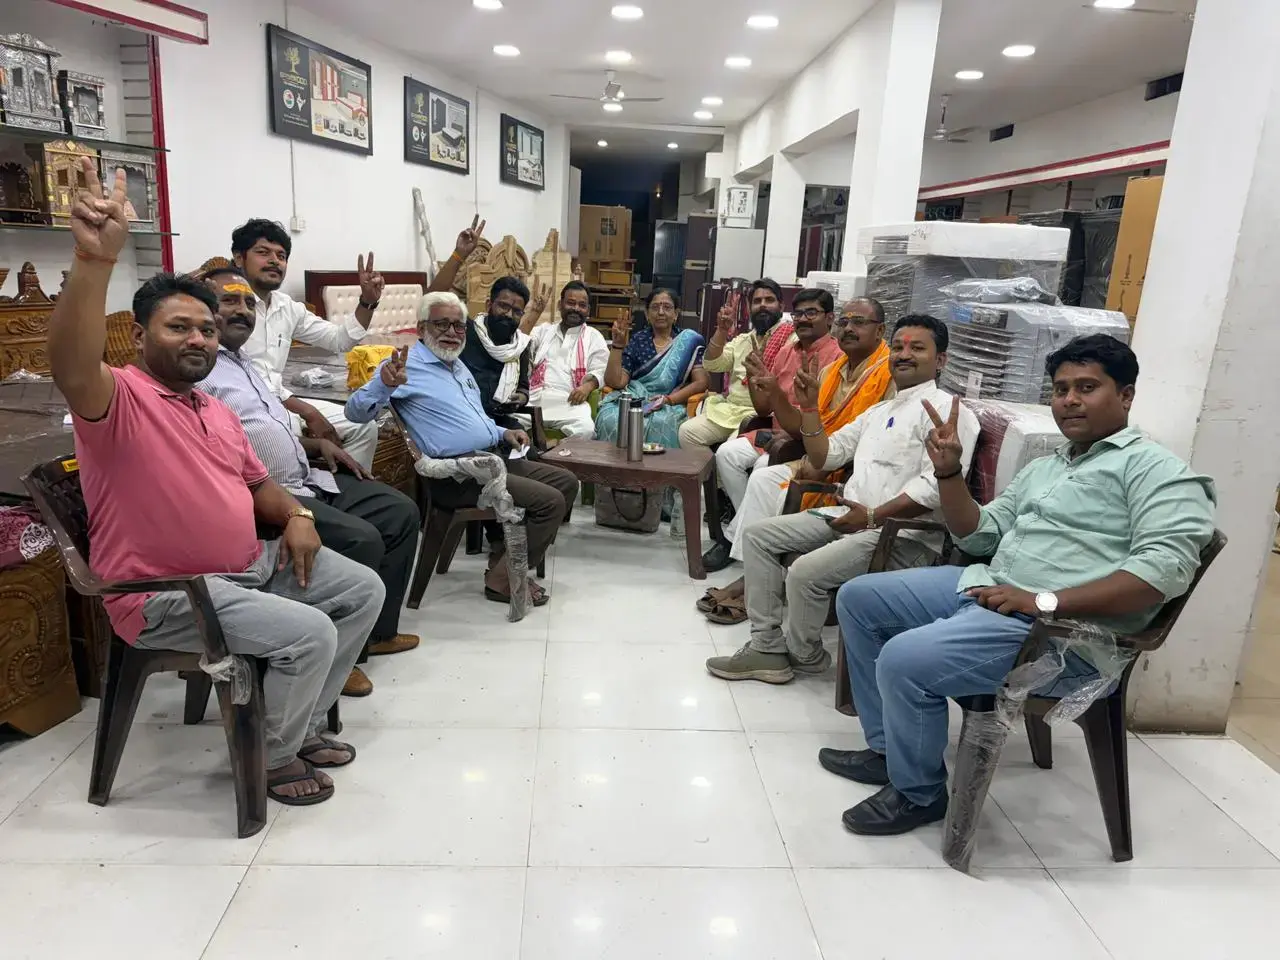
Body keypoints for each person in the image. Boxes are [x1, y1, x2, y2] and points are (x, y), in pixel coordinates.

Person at [51, 159, 381, 805]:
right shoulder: (117, 400)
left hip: (245, 567)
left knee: (361, 589)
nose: (198, 338)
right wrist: (94, 261)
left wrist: (298, 516)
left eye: (206, 329)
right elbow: (70, 362)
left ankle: (300, 724)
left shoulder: (214, 408)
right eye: (179, 327)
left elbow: (259, 486)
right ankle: (271, 757)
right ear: (139, 337)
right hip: (168, 594)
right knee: (311, 633)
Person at [827, 334, 1216, 837]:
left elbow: (1162, 575)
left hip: (1061, 632)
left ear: (1126, 395)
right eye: (1060, 389)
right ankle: (889, 752)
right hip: (995, 590)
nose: (1069, 400)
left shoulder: (1158, 472)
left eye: (1087, 387)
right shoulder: (1049, 466)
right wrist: (948, 473)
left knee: (904, 659)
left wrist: (1043, 601)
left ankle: (918, 794)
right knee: (860, 598)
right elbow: (979, 532)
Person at [705, 314, 979, 685]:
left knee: (803, 573)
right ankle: (766, 646)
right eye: (898, 347)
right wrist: (809, 410)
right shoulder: (880, 411)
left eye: (917, 348)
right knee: (758, 536)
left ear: (941, 359)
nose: (903, 354)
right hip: (850, 517)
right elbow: (826, 455)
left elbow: (933, 489)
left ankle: (805, 656)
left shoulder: (950, 413)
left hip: (901, 534)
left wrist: (872, 517)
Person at [197, 265, 421, 700]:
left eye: (248, 303)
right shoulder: (202, 372)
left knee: (400, 511)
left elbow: (266, 425)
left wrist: (314, 444)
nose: (242, 310)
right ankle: (342, 657)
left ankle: (378, 633)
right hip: (267, 497)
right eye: (229, 301)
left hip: (307, 478)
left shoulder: (247, 365)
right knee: (362, 539)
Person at [345, 291, 579, 606]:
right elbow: (354, 412)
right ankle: (502, 580)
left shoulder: (456, 365)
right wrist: (384, 385)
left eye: (458, 326)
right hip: (456, 474)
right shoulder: (405, 365)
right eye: (442, 324)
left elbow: (474, 420)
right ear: (421, 327)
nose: (452, 333)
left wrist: (504, 431)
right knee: (549, 502)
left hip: (491, 458)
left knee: (567, 482)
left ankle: (503, 556)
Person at [697, 297, 894, 622]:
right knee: (763, 478)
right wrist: (775, 392)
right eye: (845, 322)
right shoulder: (832, 371)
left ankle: (753, 586)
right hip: (818, 454)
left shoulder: (887, 374)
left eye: (859, 322)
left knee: (767, 470)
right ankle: (754, 576)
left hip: (849, 470)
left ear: (880, 330)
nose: (848, 328)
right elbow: (802, 426)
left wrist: (827, 461)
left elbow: (879, 443)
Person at [701, 287, 846, 572]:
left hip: (805, 439)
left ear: (829, 318)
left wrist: (786, 430)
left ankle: (733, 540)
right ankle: (751, 529)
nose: (803, 319)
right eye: (798, 313)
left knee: (763, 468)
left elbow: (822, 416)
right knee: (726, 455)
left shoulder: (836, 357)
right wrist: (756, 379)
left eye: (811, 313)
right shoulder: (786, 352)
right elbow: (763, 409)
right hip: (774, 431)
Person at [229, 218, 383, 469]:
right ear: (239, 258)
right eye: (263, 252)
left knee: (362, 426)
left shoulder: (287, 307)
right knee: (286, 431)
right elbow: (247, 382)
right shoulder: (227, 309)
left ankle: (344, 487)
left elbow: (339, 340)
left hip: (281, 402)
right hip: (243, 410)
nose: (274, 261)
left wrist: (367, 301)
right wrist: (307, 411)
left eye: (281, 255)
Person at [676, 279, 791, 450]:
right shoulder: (743, 340)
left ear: (781, 306)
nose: (762, 305)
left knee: (729, 448)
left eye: (769, 300)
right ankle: (709, 469)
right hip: (730, 410)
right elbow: (712, 364)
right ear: (749, 308)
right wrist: (722, 330)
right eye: (757, 301)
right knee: (687, 432)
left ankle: (717, 466)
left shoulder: (790, 339)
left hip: (761, 415)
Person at [595, 288, 707, 448]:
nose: (661, 312)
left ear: (676, 314)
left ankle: (659, 465)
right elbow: (616, 382)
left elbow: (701, 382)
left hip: (670, 403)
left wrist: (669, 400)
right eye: (655, 307)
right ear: (647, 314)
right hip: (635, 398)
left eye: (667, 307)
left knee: (663, 422)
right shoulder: (638, 340)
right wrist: (617, 346)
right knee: (612, 418)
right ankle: (615, 463)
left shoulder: (689, 341)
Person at [519, 280, 610, 439]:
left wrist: (587, 387)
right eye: (571, 303)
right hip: (535, 399)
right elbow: (519, 342)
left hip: (570, 402)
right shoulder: (544, 331)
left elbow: (602, 369)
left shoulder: (593, 336)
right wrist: (535, 313)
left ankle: (554, 451)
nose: (576, 308)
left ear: (588, 310)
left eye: (582, 305)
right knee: (507, 424)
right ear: (560, 305)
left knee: (586, 430)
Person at [459, 275, 538, 431]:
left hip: (499, 419)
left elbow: (523, 388)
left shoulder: (520, 346)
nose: (508, 314)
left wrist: (520, 398)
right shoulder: (466, 332)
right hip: (464, 416)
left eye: (516, 311)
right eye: (503, 306)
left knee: (523, 443)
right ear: (489, 304)